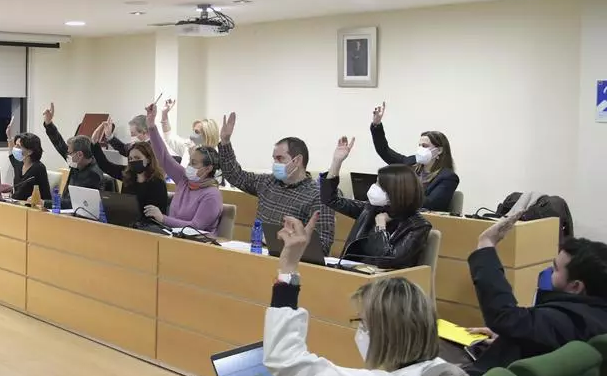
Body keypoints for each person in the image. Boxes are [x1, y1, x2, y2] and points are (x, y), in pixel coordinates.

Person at [264, 214, 475, 376]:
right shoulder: (442, 370)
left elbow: (286, 361)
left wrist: (288, 266)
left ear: (385, 334)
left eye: (362, 322)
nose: (360, 331)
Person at [463, 217, 607, 376]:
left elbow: (505, 316)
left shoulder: (569, 320)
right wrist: (514, 338)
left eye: (555, 269)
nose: (549, 272)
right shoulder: (596, 317)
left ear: (576, 287)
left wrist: (486, 244)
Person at [218, 112, 336, 254]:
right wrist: (225, 142)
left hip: (290, 258)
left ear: (297, 160)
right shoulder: (268, 182)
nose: (275, 163)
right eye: (274, 159)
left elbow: (323, 246)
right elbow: (235, 175)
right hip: (257, 252)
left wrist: (292, 237)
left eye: (280, 158)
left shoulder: (318, 195)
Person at [324, 136, 432, 270]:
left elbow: (388, 261)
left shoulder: (417, 226)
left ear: (395, 192)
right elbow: (330, 199)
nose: (374, 187)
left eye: (379, 185)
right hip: (352, 272)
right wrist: (337, 162)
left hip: (385, 280)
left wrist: (381, 227)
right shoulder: (371, 209)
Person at [143, 103, 223, 231]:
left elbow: (196, 227)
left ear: (208, 168)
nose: (189, 166)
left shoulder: (212, 195)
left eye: (194, 163)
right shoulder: (184, 179)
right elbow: (164, 157)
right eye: (190, 162)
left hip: (197, 241)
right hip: (172, 236)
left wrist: (163, 219)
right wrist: (151, 125)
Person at [369, 102, 460, 212]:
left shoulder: (448, 177)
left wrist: (395, 197)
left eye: (425, 146)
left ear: (439, 150)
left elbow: (431, 204)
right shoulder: (411, 163)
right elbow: (384, 151)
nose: (421, 149)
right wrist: (376, 125)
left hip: (424, 219)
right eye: (419, 145)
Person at [40, 103, 113, 203]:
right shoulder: (77, 163)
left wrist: (45, 203)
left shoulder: (93, 175)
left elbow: (74, 203)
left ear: (79, 154)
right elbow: (59, 143)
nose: (67, 155)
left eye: (69, 153)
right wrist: (48, 124)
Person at [4, 117, 52, 201]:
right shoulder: (20, 163)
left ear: (30, 151)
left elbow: (47, 198)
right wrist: (9, 136)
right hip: (16, 204)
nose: (15, 148)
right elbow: (11, 152)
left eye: (18, 146)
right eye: (15, 145)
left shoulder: (38, 168)